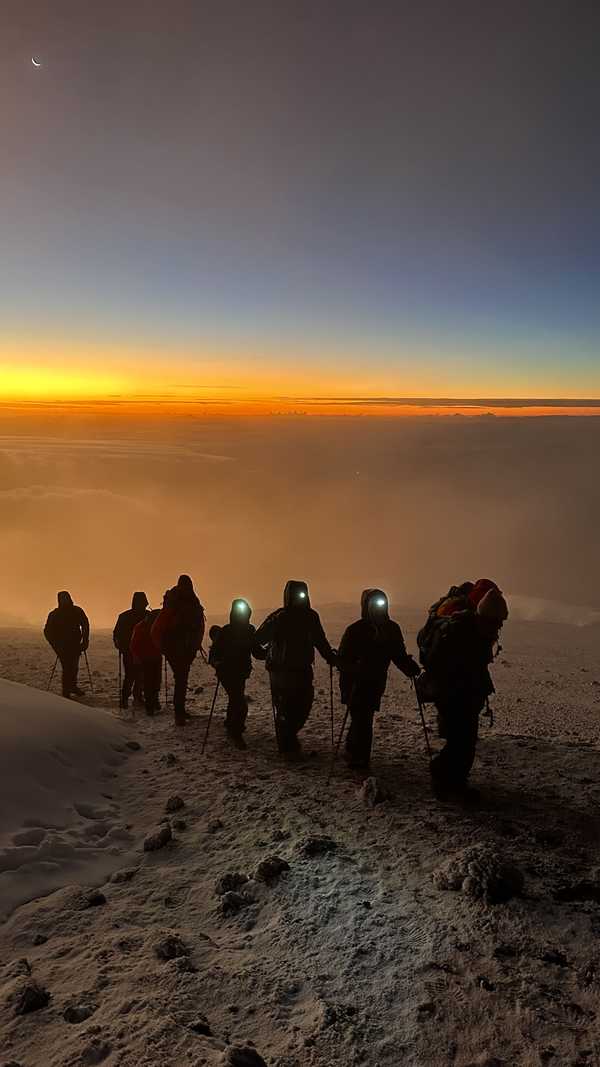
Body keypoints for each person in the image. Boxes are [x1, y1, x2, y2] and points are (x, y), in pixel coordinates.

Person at [417, 578, 508, 799]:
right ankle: (445, 781)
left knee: (463, 742)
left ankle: (453, 783)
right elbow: (450, 666)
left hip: (461, 695)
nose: (498, 627)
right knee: (461, 743)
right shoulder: (461, 632)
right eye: (497, 622)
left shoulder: (472, 630)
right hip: (454, 695)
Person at [337, 589, 421, 770]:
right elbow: (342, 660)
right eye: (374, 604)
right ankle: (359, 759)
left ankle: (353, 751)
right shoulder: (355, 630)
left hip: (375, 683)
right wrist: (354, 669)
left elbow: (398, 654)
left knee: (363, 718)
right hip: (354, 683)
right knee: (362, 718)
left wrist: (409, 668)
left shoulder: (391, 629)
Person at [255, 580, 336, 756]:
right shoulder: (279, 617)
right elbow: (260, 637)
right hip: (281, 671)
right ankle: (287, 746)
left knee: (303, 704)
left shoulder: (311, 617)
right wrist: (264, 652)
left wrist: (331, 657)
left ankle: (288, 739)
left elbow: (320, 640)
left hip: (302, 669)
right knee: (285, 708)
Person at [208, 599, 266, 749]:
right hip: (227, 673)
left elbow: (257, 652)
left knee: (235, 698)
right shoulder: (226, 631)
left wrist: (270, 652)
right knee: (239, 702)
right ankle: (236, 733)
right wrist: (217, 663)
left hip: (240, 672)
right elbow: (213, 654)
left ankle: (230, 724)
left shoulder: (249, 631)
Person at [151, 575, 205, 726]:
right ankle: (179, 712)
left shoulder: (177, 603)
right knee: (181, 679)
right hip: (178, 649)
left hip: (180, 649)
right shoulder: (186, 603)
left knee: (181, 679)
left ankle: (179, 710)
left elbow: (158, 628)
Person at [43, 591, 90, 699]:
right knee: (67, 667)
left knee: (74, 667)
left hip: (75, 644)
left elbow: (85, 624)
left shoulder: (76, 611)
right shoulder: (55, 614)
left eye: (66, 598)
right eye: (62, 599)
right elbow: (47, 631)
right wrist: (55, 645)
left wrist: (85, 640)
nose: (64, 601)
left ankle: (72, 686)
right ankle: (66, 691)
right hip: (62, 646)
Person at [113, 592, 149, 708]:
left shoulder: (124, 616)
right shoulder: (148, 616)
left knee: (135, 675)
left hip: (134, 650)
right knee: (134, 675)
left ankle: (130, 697)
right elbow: (117, 634)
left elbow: (116, 634)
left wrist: (119, 645)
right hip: (134, 650)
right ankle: (129, 697)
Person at [130, 608, 162, 715]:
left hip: (153, 657)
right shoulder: (141, 627)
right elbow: (134, 644)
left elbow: (133, 644)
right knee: (149, 682)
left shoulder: (143, 626)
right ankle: (150, 704)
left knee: (154, 680)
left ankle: (153, 702)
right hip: (146, 658)